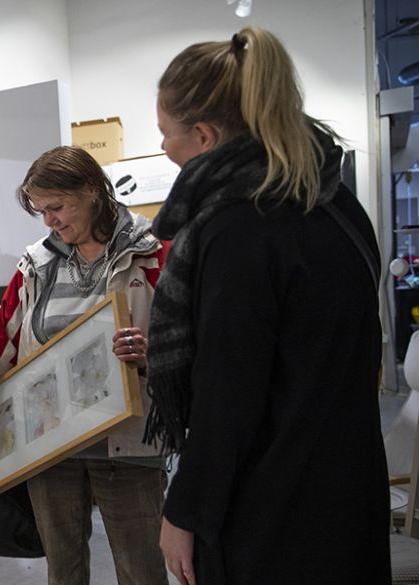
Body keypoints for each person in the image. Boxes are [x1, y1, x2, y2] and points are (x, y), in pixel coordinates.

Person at [145, 26, 389, 585]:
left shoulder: (237, 228)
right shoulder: (333, 200)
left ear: (204, 136)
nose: (163, 147)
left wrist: (184, 510)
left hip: (274, 507)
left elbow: (228, 391)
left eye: (166, 133)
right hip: (350, 479)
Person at [0, 145, 169, 585]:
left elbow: (191, 339)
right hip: (51, 445)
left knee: (141, 569)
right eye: (41, 211)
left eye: (56, 207)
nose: (49, 220)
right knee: (63, 571)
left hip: (128, 444)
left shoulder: (151, 254)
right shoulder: (36, 264)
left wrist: (153, 353)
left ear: (92, 191)